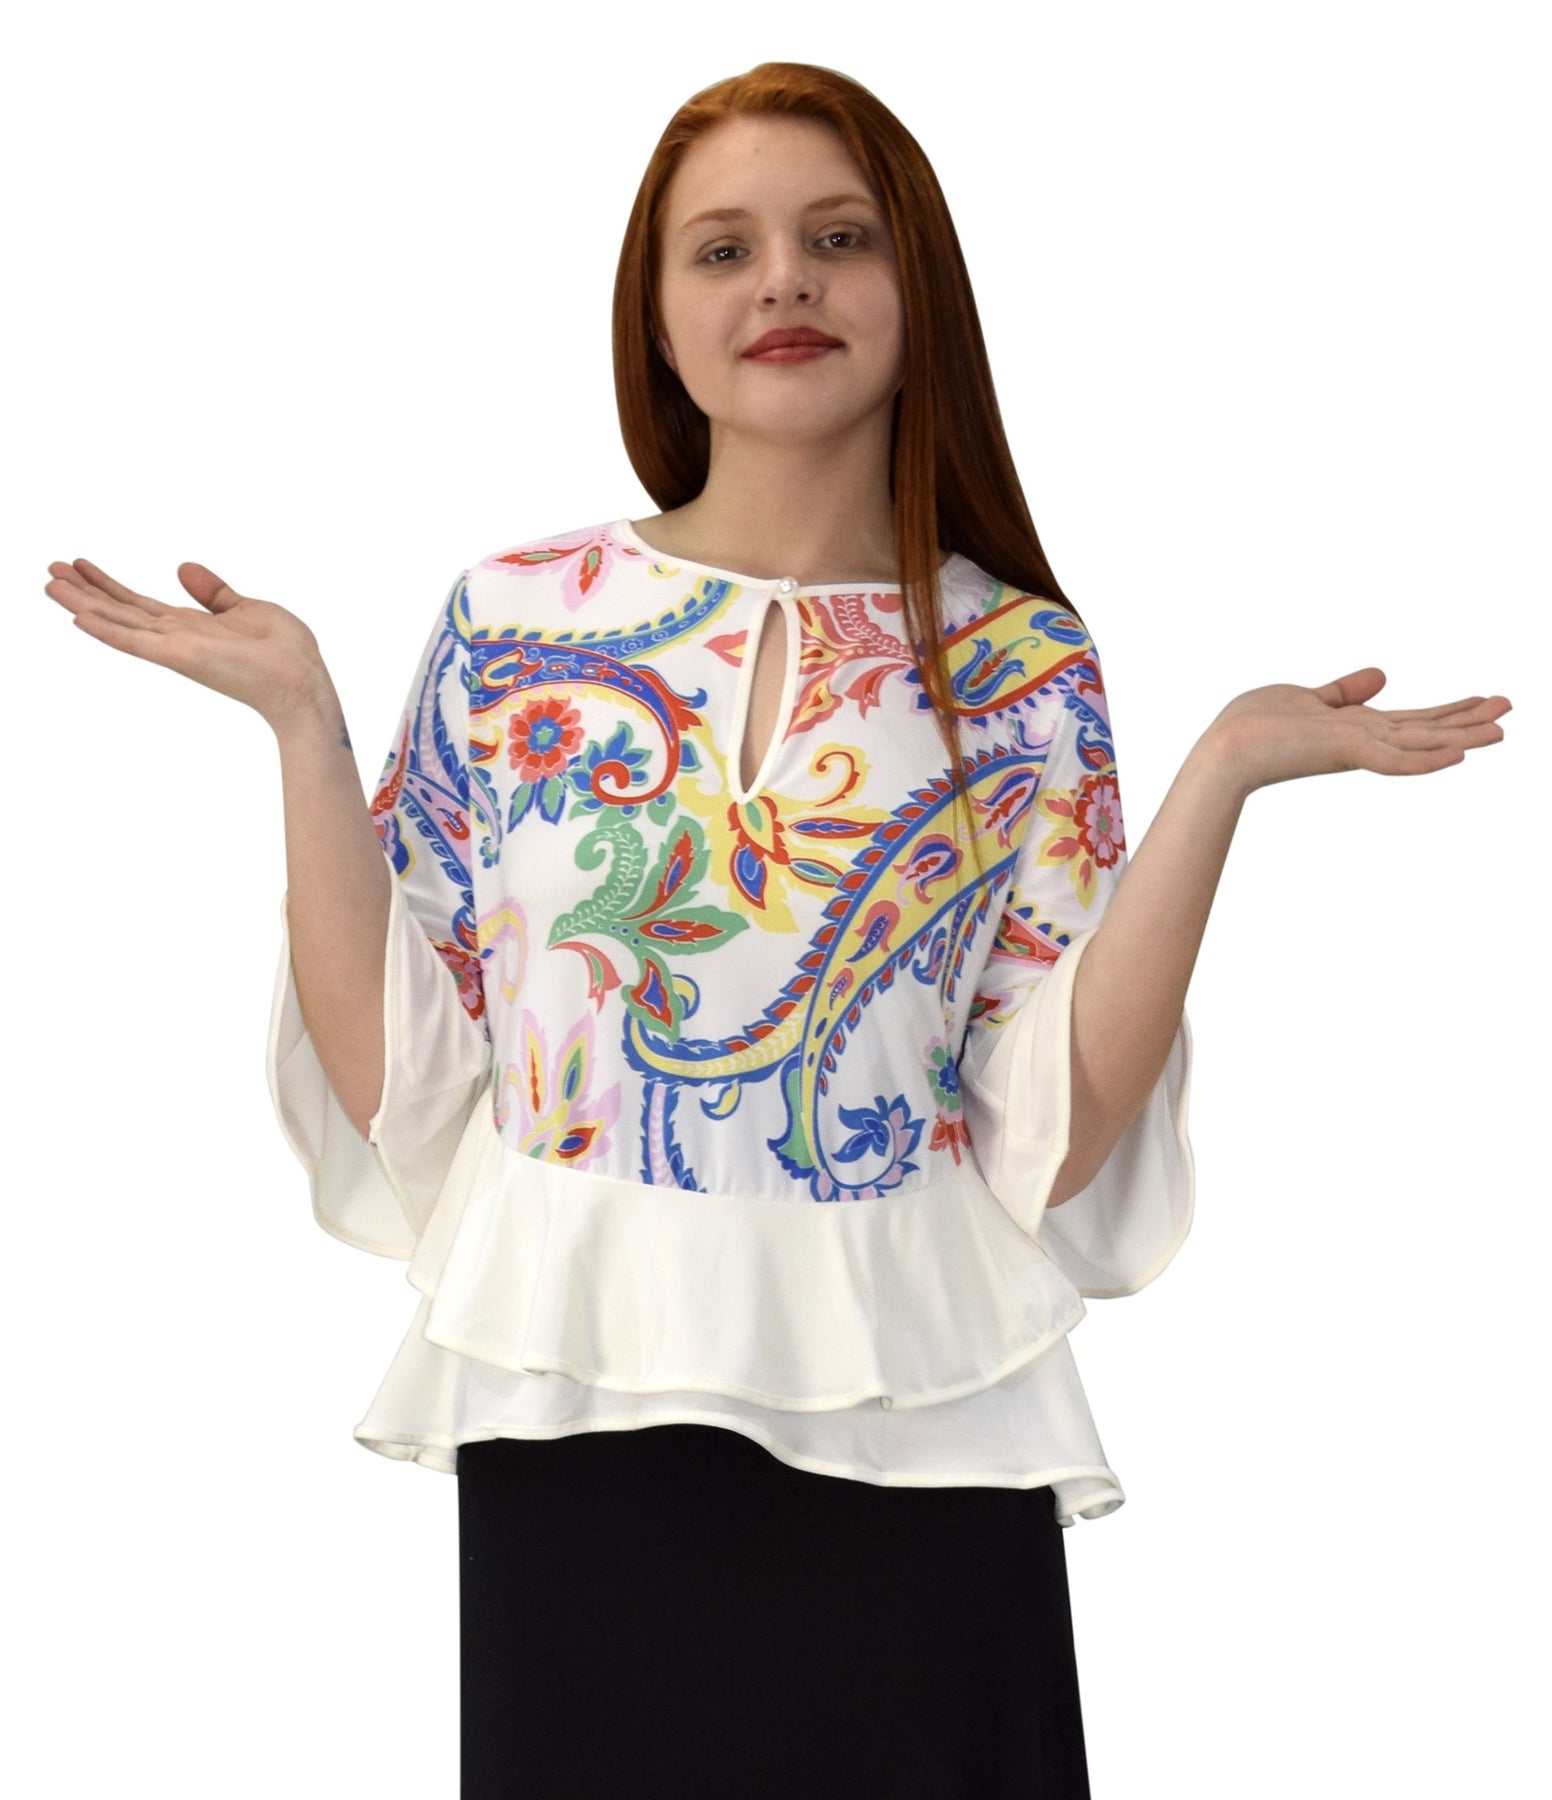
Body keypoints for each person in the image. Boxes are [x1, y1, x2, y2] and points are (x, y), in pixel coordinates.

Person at [44, 59, 1510, 1800]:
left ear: (917, 288)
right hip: (574, 1407)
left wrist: (1223, 776)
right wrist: (303, 719)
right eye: (723, 250)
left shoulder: (1021, 662)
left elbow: (1049, 1132)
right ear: (658, 317)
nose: (784, 283)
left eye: (838, 238)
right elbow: (411, 1088)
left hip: (921, 1420)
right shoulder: (516, 621)